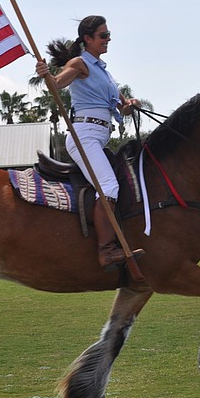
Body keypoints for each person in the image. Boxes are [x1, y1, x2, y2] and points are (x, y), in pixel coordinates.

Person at [35, 15, 143, 271]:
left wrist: (131, 105)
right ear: (88, 39)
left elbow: (122, 109)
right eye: (103, 36)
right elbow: (58, 84)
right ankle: (106, 252)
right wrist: (46, 76)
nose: (108, 39)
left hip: (99, 135)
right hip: (84, 135)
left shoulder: (104, 72)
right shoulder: (80, 63)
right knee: (108, 186)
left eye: (108, 35)